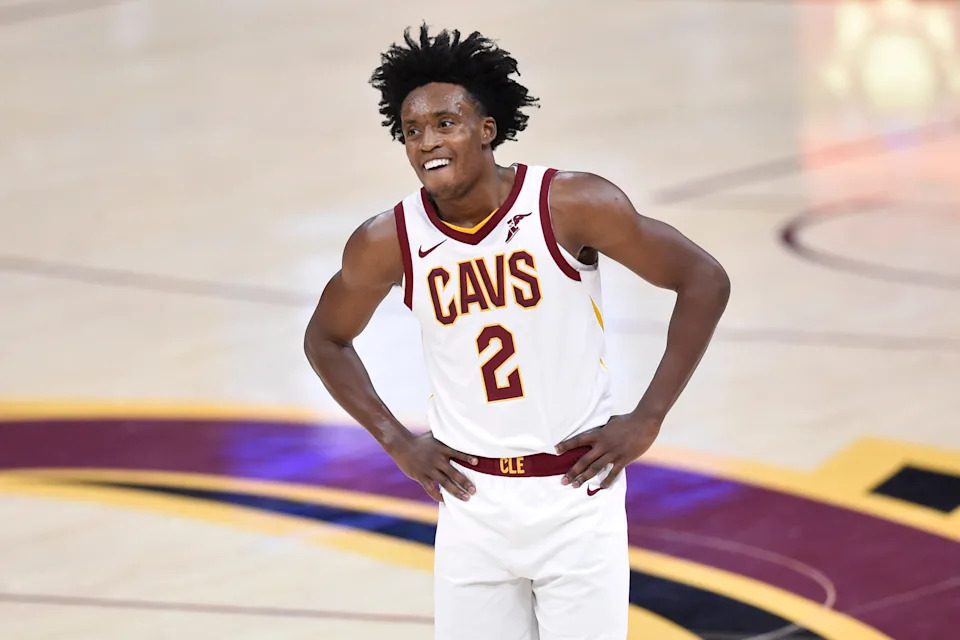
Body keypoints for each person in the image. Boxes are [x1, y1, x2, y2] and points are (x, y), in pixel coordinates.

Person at [304, 24, 730, 640]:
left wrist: (649, 416)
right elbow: (325, 339)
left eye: (445, 123)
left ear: (487, 129)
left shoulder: (570, 204)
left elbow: (703, 279)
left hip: (575, 496)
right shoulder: (386, 242)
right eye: (412, 131)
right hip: (472, 506)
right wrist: (397, 442)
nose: (427, 142)